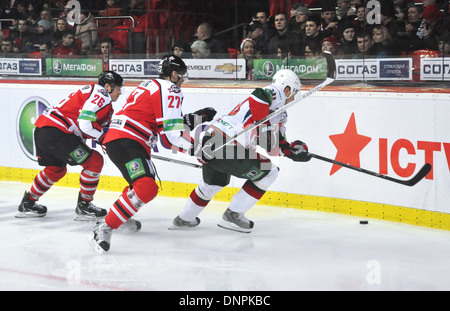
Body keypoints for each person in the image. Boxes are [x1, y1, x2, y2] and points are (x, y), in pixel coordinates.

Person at [88, 55, 217, 253]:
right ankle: (104, 227)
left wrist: (195, 118)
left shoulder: (149, 85)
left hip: (122, 139)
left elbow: (161, 120)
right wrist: (200, 152)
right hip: (128, 140)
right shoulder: (171, 89)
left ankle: (121, 217)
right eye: (181, 76)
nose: (182, 81)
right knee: (147, 187)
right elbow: (170, 138)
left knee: (138, 184)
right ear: (173, 74)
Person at [171, 69, 311, 233]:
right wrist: (264, 127)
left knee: (212, 184)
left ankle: (185, 219)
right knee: (270, 171)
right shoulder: (276, 93)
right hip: (227, 143)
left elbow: (272, 145)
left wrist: (290, 150)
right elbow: (259, 95)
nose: (294, 98)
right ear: (287, 89)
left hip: (213, 139)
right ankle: (233, 214)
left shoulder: (279, 114)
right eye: (294, 93)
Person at [16, 71, 124, 220]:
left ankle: (28, 202)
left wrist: (107, 138)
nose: (120, 92)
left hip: (44, 130)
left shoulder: (95, 94)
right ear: (107, 86)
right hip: (59, 133)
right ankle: (84, 206)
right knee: (95, 161)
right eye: (118, 88)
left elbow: (97, 127)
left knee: (56, 170)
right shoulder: (102, 95)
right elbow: (85, 124)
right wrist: (103, 138)